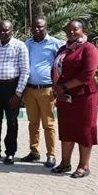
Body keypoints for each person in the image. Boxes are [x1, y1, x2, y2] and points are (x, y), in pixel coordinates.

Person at [51, 20, 98, 178]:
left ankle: (83, 166)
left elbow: (87, 75)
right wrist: (59, 90)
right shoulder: (63, 49)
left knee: (85, 130)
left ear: (83, 30)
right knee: (66, 128)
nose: (71, 32)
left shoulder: (89, 49)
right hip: (64, 96)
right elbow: (57, 70)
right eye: (68, 29)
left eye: (75, 29)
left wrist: (63, 87)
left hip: (84, 96)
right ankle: (65, 163)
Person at [0, 21, 29, 165]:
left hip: (12, 88)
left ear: (12, 31)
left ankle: (10, 152)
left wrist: (18, 93)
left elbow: (25, 70)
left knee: (12, 122)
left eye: (5, 30)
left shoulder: (20, 46)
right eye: (0, 31)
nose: (2, 33)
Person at [21, 18, 61, 168]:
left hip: (47, 89)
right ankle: (34, 152)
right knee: (33, 123)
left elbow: (61, 65)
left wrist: (59, 86)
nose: (37, 29)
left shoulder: (55, 44)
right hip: (30, 89)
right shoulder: (27, 44)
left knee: (48, 124)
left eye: (40, 26)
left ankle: (51, 155)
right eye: (34, 27)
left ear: (46, 27)